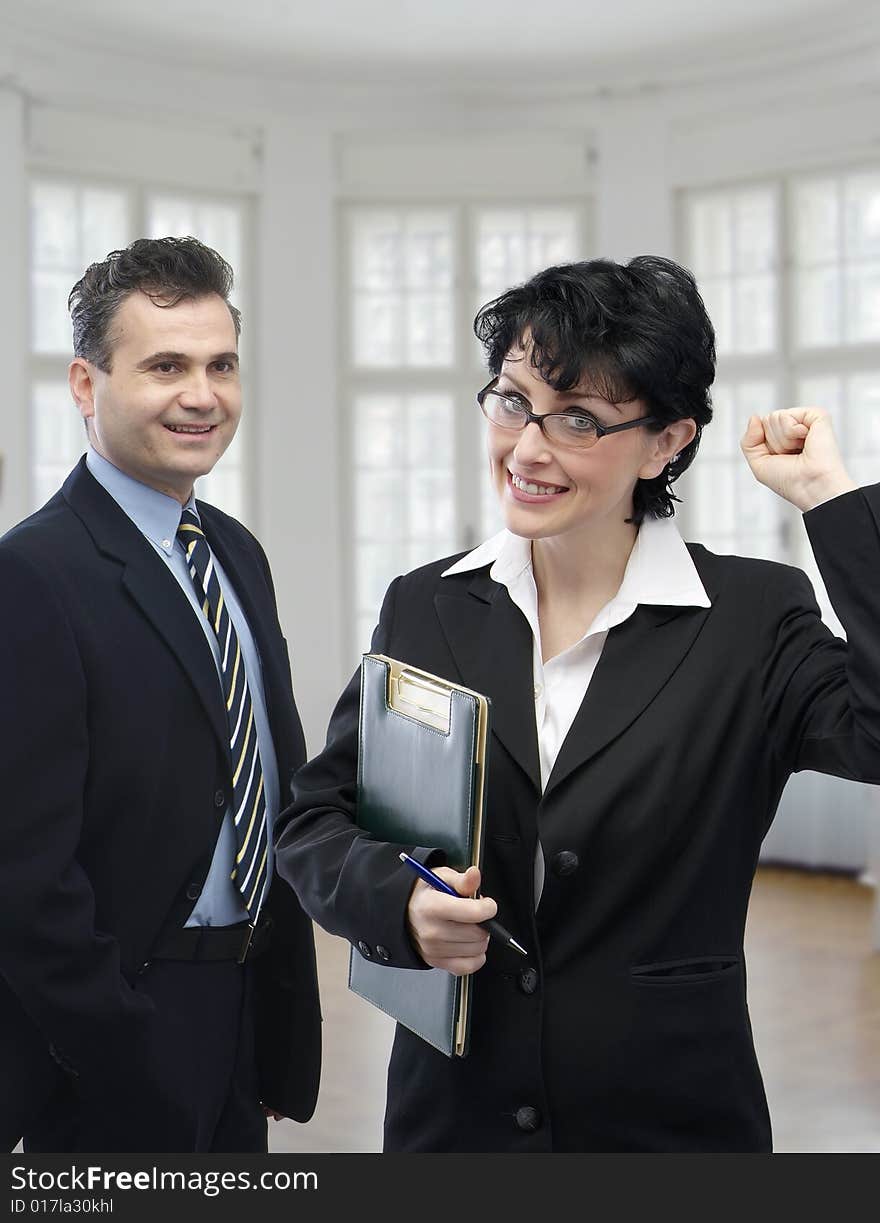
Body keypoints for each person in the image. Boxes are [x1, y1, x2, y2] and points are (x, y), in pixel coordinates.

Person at [274, 255, 879, 1153]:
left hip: (670, 1128)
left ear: (667, 441)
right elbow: (316, 819)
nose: (526, 448)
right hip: (455, 1125)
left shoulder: (752, 618)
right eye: (513, 400)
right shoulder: (427, 602)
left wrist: (830, 500)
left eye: (580, 421)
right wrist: (397, 902)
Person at [0, 236, 321, 1153]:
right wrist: (124, 1048)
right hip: (115, 1028)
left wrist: (272, 1028)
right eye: (166, 365)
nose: (203, 394)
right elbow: (24, 875)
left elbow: (269, 777)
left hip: (242, 1007)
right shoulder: (30, 574)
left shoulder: (234, 552)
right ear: (85, 383)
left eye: (221, 364)